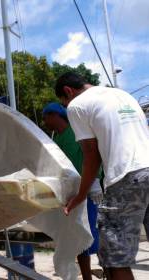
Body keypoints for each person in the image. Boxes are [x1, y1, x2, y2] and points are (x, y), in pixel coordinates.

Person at [55, 72, 149, 280]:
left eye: (64, 101)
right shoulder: (122, 95)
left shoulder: (77, 105)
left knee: (115, 258)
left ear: (68, 92)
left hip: (127, 176)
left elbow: (91, 154)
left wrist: (80, 195)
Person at [42, 102, 102, 280]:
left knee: (93, 234)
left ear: (54, 115)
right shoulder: (56, 140)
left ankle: (108, 268)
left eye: (45, 118)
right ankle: (86, 277)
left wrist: (96, 179)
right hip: (69, 194)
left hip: (87, 190)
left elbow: (93, 154)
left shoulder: (76, 131)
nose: (44, 122)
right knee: (77, 238)